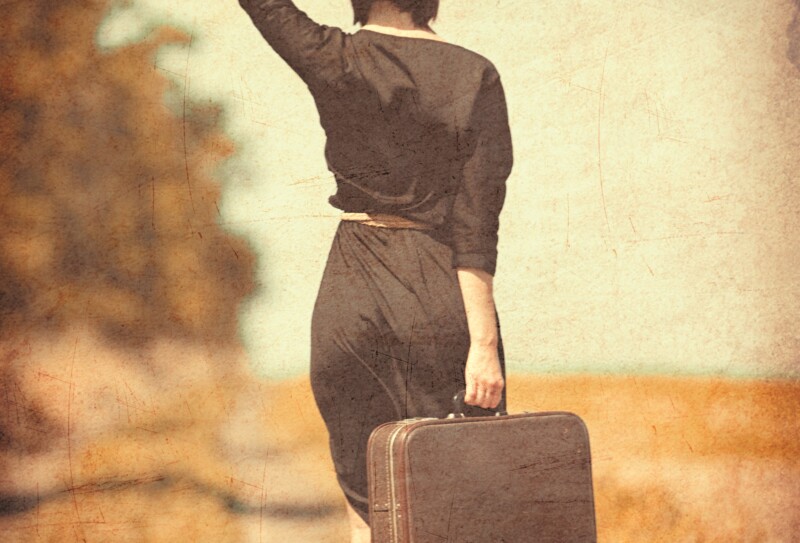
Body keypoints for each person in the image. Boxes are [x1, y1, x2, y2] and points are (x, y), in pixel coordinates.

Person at [238, 1, 513, 541]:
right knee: (456, 494)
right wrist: (483, 345)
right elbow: (476, 225)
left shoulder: (335, 56)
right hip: (436, 287)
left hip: (351, 289)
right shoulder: (475, 74)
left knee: (369, 489)